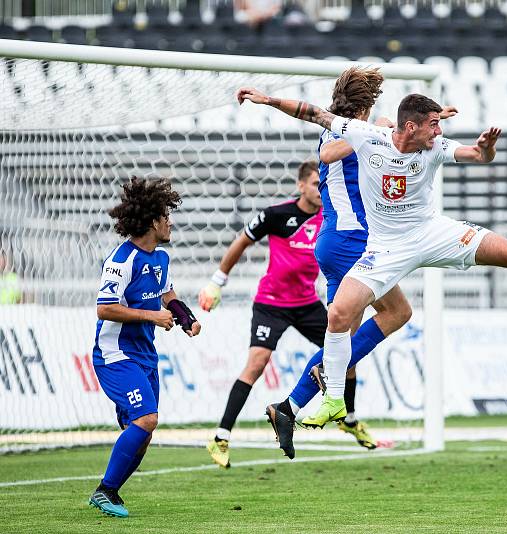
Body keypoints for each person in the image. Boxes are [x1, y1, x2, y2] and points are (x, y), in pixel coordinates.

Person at [235, 87, 507, 432]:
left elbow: (477, 154)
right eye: (433, 125)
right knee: (338, 315)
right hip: (385, 248)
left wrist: (486, 148)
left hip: (433, 233)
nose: (439, 132)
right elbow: (312, 113)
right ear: (410, 128)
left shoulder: (436, 146)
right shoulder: (367, 137)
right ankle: (334, 400)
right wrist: (265, 99)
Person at [263, 67, 457, 460]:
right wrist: (376, 134)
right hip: (350, 241)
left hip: (343, 242)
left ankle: (290, 406)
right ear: (367, 105)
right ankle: (313, 386)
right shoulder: (344, 133)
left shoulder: (364, 130)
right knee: (389, 317)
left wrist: (417, 129)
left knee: (353, 333)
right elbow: (327, 153)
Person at [200, 161, 351, 467]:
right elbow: (242, 241)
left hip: (307, 303)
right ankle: (221, 436)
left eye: (321, 185)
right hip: (272, 303)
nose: (319, 191)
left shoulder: (330, 218)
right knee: (256, 363)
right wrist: (218, 282)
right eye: (312, 184)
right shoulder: (276, 214)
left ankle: (350, 418)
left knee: (348, 345)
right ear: (300, 186)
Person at [89, 177, 201, 518]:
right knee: (147, 419)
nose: (170, 222)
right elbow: (104, 307)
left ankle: (112, 492)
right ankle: (104, 491)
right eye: (166, 216)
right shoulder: (121, 260)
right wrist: (153, 316)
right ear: (152, 221)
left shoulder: (161, 257)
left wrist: (186, 319)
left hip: (145, 356)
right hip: (114, 355)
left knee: (143, 432)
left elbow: (168, 296)